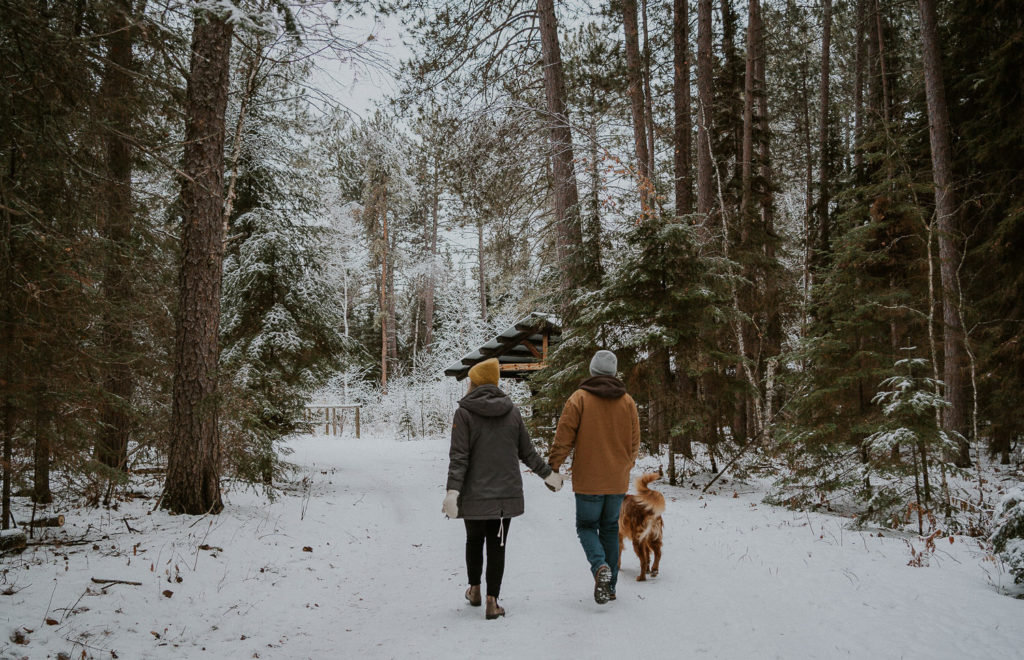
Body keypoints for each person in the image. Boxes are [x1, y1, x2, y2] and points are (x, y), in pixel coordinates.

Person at [442, 358, 564, 619]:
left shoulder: (464, 413)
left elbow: (459, 457)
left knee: (473, 540)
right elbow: (527, 453)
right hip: (504, 497)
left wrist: (453, 491)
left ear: (473, 383)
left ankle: (474, 589)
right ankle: (492, 601)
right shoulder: (512, 412)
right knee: (497, 545)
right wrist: (548, 475)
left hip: (473, 495)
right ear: (495, 383)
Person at [547, 349, 640, 605]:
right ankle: (610, 588)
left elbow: (564, 436)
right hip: (616, 480)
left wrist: (554, 466)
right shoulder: (627, 401)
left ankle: (600, 568)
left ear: (592, 370)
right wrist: (625, 466)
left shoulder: (579, 398)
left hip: (588, 479)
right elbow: (635, 442)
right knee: (610, 528)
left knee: (586, 526)